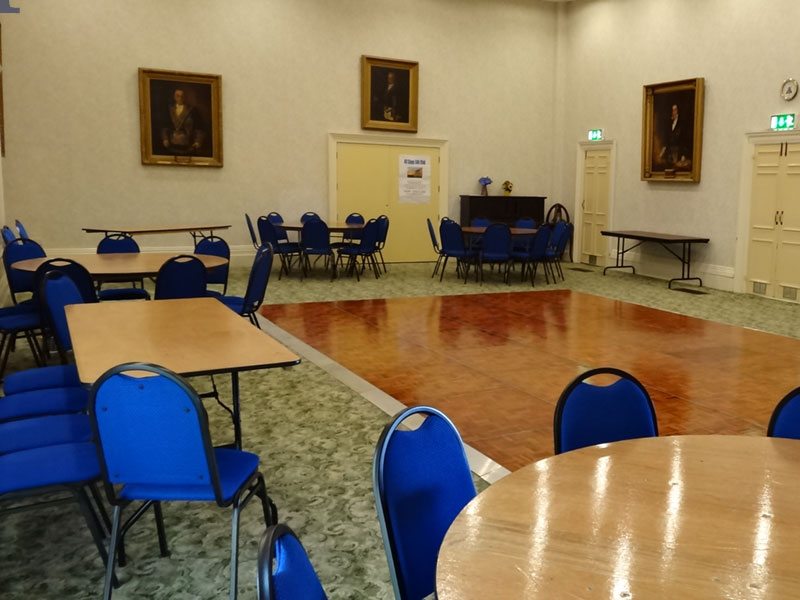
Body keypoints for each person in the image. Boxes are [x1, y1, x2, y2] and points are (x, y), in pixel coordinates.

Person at [160, 88, 205, 155]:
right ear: (174, 97)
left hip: (188, 144)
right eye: (178, 96)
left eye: (182, 96)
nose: (180, 98)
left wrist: (198, 141)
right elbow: (164, 126)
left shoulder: (192, 110)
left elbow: (199, 127)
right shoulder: (168, 109)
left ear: (185, 97)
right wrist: (165, 139)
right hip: (171, 144)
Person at [659, 103, 690, 169]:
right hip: (669, 153)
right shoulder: (669, 123)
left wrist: (683, 154)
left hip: (679, 152)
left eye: (675, 110)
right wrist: (663, 150)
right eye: (672, 110)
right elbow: (666, 139)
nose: (673, 112)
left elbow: (684, 140)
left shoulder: (682, 124)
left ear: (678, 111)